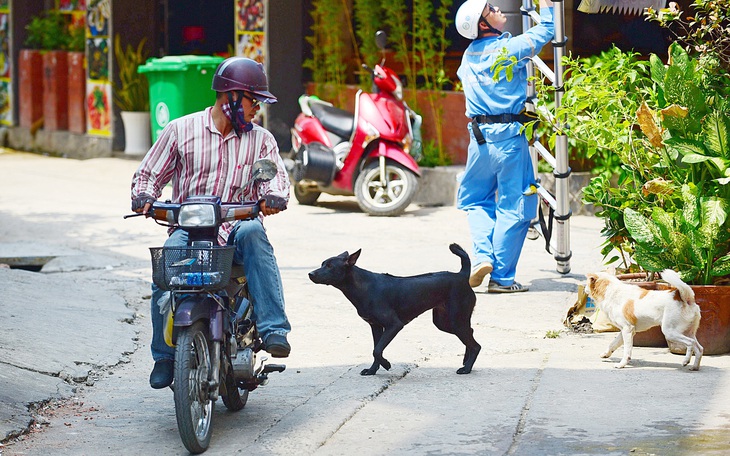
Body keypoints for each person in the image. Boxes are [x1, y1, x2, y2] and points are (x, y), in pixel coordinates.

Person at [131, 57, 292, 389]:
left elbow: (273, 179)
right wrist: (144, 196)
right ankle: (163, 356)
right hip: (188, 229)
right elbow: (148, 174)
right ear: (231, 97)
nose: (257, 109)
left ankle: (273, 328)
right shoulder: (180, 130)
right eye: (253, 100)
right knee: (165, 266)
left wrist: (273, 197)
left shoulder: (261, 140)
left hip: (235, 228)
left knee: (253, 232)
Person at [454, 0, 554, 293]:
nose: (498, 10)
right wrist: (546, 4)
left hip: (479, 140)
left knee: (475, 200)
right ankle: (502, 278)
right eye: (491, 9)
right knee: (515, 205)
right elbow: (547, 29)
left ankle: (482, 255)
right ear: (483, 24)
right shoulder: (508, 49)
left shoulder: (467, 58)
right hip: (509, 139)